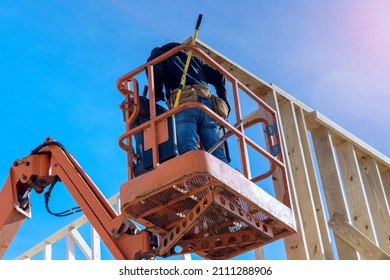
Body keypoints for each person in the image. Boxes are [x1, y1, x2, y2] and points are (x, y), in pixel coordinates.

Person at [146, 42, 230, 164]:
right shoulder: (192, 58)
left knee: (187, 146)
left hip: (185, 101)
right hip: (208, 105)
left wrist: (158, 93)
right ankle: (223, 180)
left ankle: (195, 178)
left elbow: (155, 70)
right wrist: (224, 99)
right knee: (216, 150)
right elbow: (219, 77)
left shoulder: (160, 53)